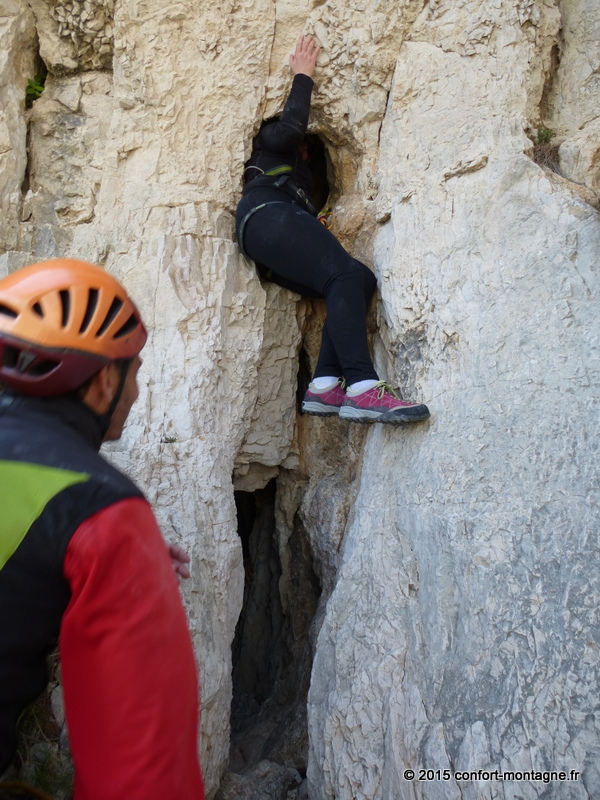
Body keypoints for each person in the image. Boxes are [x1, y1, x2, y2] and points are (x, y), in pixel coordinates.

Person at [0, 259, 205, 800]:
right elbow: (142, 773)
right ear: (101, 381)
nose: (137, 391)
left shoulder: (81, 516)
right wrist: (109, 543)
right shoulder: (99, 510)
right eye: (133, 370)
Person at [236, 34, 430, 424]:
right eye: (304, 147)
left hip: (270, 236)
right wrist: (303, 76)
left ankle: (324, 386)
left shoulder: (296, 175)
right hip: (265, 215)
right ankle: (362, 387)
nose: (305, 149)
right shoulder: (270, 145)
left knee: (358, 278)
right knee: (341, 272)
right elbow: (290, 130)